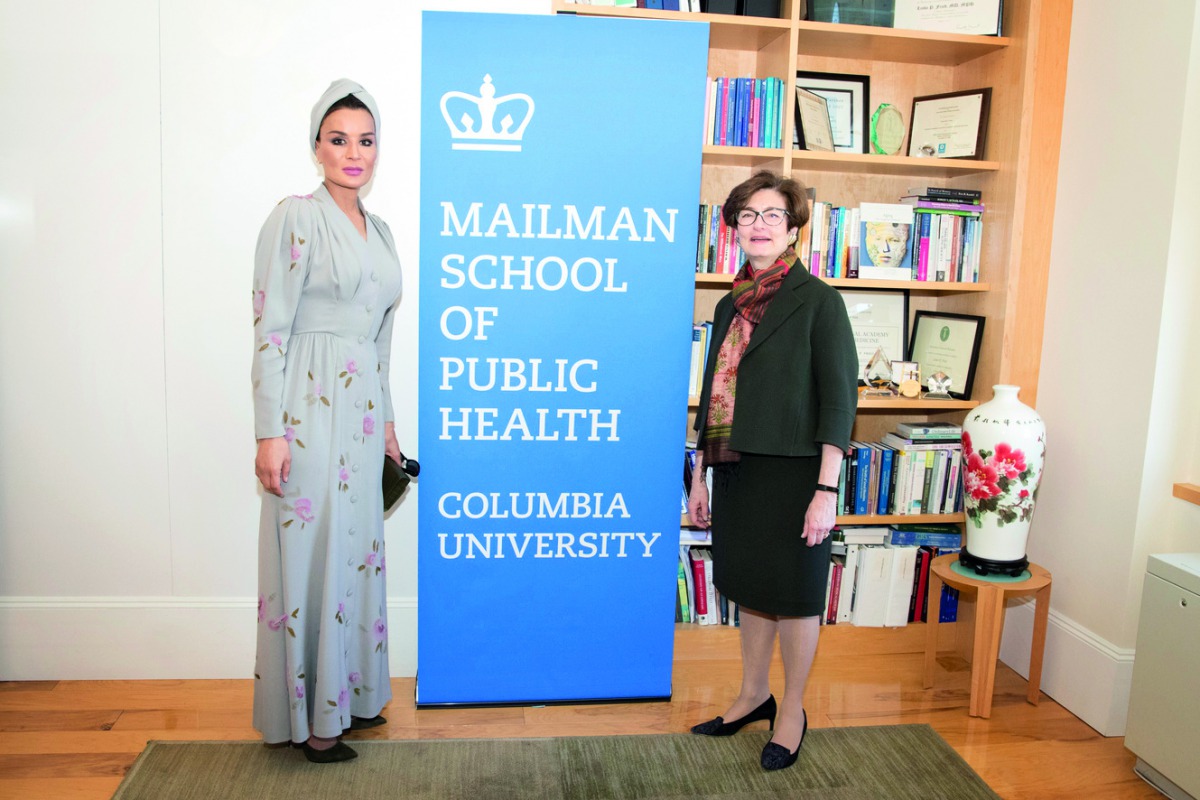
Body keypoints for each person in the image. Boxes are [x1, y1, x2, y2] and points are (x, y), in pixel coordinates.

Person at [251, 79, 404, 764]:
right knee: (314, 559)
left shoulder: (384, 231)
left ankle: (351, 699)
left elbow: (380, 343)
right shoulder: (294, 216)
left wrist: (391, 429)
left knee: (358, 554)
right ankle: (314, 724)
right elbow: (269, 329)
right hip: (307, 411)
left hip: (365, 414)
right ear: (317, 146)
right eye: (338, 139)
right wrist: (268, 430)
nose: (353, 152)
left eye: (365, 141)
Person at [687, 170, 858, 771]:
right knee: (752, 590)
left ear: (793, 229)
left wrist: (826, 490)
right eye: (747, 216)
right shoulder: (729, 301)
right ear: (734, 228)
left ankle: (792, 711)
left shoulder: (820, 301)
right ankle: (753, 695)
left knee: (796, 596)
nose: (758, 226)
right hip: (737, 469)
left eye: (772, 215)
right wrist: (698, 478)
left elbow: (840, 402)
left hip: (795, 474)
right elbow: (715, 394)